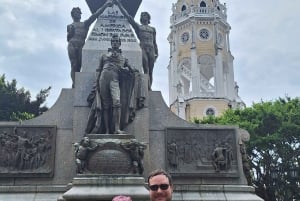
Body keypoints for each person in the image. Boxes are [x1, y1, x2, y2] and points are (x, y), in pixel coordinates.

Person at [86, 34, 135, 134]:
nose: (115, 43)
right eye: (113, 41)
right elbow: (98, 71)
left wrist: (126, 70)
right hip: (103, 79)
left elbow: (132, 70)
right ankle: (107, 130)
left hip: (114, 80)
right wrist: (96, 85)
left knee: (117, 102)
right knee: (105, 105)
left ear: (120, 43)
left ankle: (117, 129)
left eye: (117, 41)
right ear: (111, 43)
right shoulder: (103, 56)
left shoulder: (124, 58)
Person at [67, 0, 113, 87]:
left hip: (81, 45)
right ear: (72, 15)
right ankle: (74, 83)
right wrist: (70, 32)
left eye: (79, 13)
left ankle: (77, 81)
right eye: (76, 13)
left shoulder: (85, 24)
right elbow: (68, 38)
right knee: (73, 64)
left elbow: (95, 15)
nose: (77, 14)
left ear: (80, 14)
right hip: (72, 44)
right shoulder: (70, 26)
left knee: (80, 65)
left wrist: (105, 5)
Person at [115, 0, 158, 90]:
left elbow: (154, 42)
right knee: (146, 69)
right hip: (143, 48)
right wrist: (119, 5)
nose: (143, 16)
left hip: (152, 49)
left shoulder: (152, 29)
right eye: (142, 15)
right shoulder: (139, 27)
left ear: (148, 18)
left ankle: (150, 87)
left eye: (145, 15)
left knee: (151, 71)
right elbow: (129, 17)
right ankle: (147, 88)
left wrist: (156, 52)